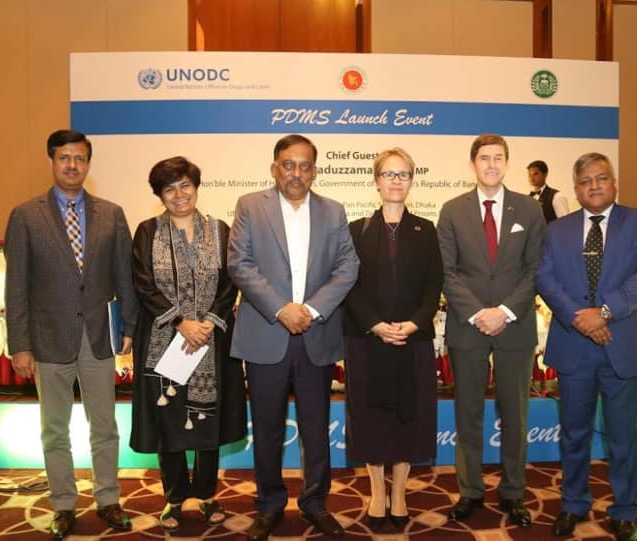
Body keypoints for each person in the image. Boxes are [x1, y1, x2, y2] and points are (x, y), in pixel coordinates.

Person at [4, 129, 138, 540]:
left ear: (88, 164)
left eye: (80, 158)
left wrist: (129, 326)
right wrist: (20, 344)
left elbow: (124, 275)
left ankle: (108, 499)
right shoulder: (26, 216)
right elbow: (17, 286)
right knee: (54, 429)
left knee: (105, 426)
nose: (72, 165)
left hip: (97, 338)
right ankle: (63, 503)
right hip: (47, 339)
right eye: (64, 158)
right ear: (52, 160)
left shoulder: (111, 214)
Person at [227, 134, 359, 541]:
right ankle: (269, 505)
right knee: (267, 428)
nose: (296, 173)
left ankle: (315, 503)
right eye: (288, 165)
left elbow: (348, 266)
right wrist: (281, 308)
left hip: (315, 335)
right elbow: (239, 263)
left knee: (316, 428)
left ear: (315, 171)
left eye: (304, 166)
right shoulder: (250, 206)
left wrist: (312, 310)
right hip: (267, 333)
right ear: (274, 168)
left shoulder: (334, 211)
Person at [535, 152, 637, 541]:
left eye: (601, 178)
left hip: (622, 343)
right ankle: (574, 503)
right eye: (585, 180)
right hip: (575, 345)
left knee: (623, 437)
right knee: (574, 434)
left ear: (614, 182)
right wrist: (581, 319)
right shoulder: (556, 230)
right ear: (576, 189)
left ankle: (624, 510)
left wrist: (604, 313)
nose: (594, 185)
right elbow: (545, 277)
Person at [128, 157, 247, 532]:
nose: (179, 195)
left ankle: (208, 494)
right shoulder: (147, 232)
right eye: (169, 189)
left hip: (212, 339)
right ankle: (175, 497)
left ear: (196, 187)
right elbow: (143, 283)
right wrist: (181, 322)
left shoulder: (220, 230)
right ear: (159, 195)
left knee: (210, 420)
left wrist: (207, 322)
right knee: (170, 421)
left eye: (185, 186)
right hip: (166, 340)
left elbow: (231, 281)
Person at [436, 133, 545, 528]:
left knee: (515, 413)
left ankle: (514, 493)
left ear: (507, 163)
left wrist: (504, 311)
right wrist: (478, 313)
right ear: (473, 164)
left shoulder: (529, 210)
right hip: (468, 327)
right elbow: (446, 271)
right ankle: (470, 491)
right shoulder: (452, 211)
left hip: (515, 325)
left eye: (499, 157)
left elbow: (536, 269)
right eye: (484, 158)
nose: (492, 164)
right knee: (468, 412)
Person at [342, 148, 443, 532]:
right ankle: (376, 492)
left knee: (407, 418)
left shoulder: (426, 229)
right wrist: (376, 325)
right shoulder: (356, 230)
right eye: (389, 174)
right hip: (367, 341)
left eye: (403, 174)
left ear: (412, 180)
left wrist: (414, 324)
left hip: (412, 342)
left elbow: (434, 284)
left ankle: (399, 492)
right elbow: (348, 285)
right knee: (371, 419)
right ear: (376, 181)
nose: (396, 180)